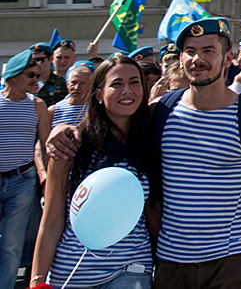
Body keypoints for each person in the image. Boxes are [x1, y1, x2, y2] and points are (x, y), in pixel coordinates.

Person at [49, 18, 241, 289]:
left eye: (208, 51)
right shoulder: (160, 111)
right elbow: (109, 123)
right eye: (190, 51)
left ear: (228, 58)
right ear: (180, 58)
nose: (197, 59)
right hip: (169, 264)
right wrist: (64, 129)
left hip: (228, 263)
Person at [31, 54, 160, 289]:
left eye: (134, 82)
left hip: (131, 269)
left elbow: (152, 214)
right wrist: (37, 280)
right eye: (116, 84)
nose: (127, 91)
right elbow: (51, 222)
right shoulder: (71, 144)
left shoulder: (152, 141)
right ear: (99, 94)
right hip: (71, 274)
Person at [2, 50, 50, 289]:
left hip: (21, 181)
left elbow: (44, 145)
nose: (36, 80)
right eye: (30, 75)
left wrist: (47, 179)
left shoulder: (38, 106)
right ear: (12, 77)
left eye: (37, 75)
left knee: (11, 244)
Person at [50, 61, 94, 128]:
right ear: (67, 84)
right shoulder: (53, 111)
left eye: (82, 83)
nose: (76, 88)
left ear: (91, 86)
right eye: (73, 83)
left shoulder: (97, 109)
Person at [32, 43, 68, 107]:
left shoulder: (61, 83)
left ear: (51, 59)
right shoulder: (25, 82)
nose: (36, 64)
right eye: (33, 61)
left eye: (40, 60)